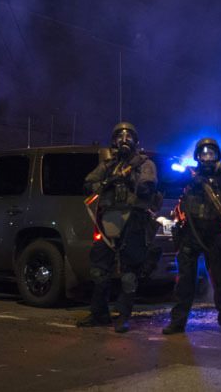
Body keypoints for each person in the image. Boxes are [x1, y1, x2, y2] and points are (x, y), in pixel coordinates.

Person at [77, 122, 158, 333]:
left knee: (130, 273)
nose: (124, 140)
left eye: (128, 137)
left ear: (136, 141)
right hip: (109, 221)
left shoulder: (144, 164)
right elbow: (88, 183)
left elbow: (147, 187)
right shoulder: (109, 164)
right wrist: (105, 184)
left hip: (134, 221)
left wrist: (129, 179)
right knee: (99, 270)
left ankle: (123, 317)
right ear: (113, 141)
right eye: (120, 137)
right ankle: (99, 314)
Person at [162, 138, 221, 336]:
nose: (207, 158)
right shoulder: (190, 175)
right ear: (197, 156)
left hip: (214, 234)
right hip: (191, 232)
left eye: (211, 154)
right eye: (203, 154)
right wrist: (191, 180)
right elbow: (166, 181)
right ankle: (178, 323)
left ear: (217, 156)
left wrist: (218, 201)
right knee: (185, 282)